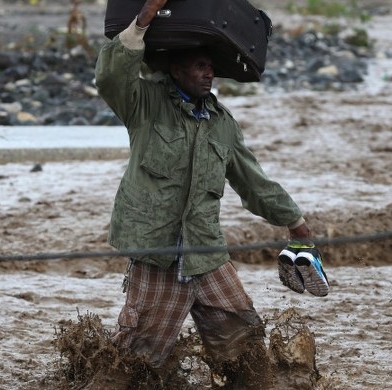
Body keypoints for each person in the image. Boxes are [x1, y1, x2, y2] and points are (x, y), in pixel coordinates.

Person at [90, 0, 328, 387]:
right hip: (158, 253)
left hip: (206, 253)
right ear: (176, 69)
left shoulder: (222, 124)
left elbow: (254, 182)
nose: (209, 74)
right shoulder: (145, 105)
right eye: (201, 66)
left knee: (244, 343)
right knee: (136, 357)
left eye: (212, 68)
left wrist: (296, 222)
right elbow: (110, 77)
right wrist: (147, 15)